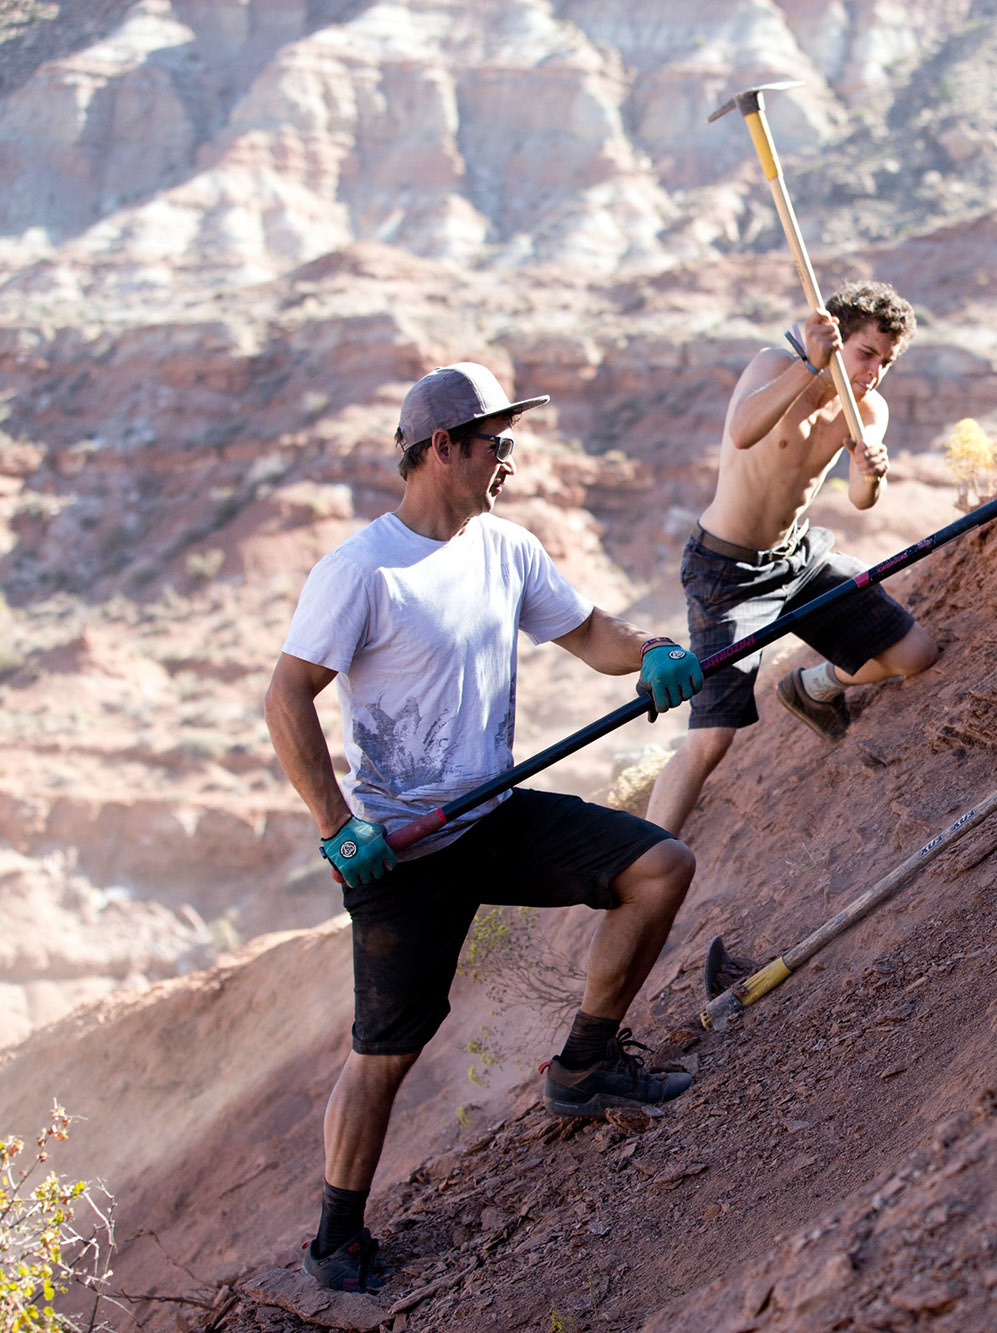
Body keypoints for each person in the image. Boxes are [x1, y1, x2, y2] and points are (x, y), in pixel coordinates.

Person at [264, 363, 708, 1294]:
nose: (508, 460)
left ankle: (584, 1071)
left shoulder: (504, 548)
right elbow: (287, 696)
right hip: (404, 848)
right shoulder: (360, 570)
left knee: (660, 866)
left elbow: (589, 634)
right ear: (440, 450)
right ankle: (335, 1243)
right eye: (494, 444)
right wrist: (337, 828)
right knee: (383, 1055)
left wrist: (655, 651)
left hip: (497, 813)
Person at [644, 280, 940, 836]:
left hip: (796, 557)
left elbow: (860, 500)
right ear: (838, 339)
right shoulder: (774, 365)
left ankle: (814, 687)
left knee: (916, 654)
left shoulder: (868, 409)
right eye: (866, 353)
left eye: (887, 361)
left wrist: (870, 473)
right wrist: (808, 364)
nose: (874, 371)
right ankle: (642, 861)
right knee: (711, 739)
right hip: (725, 570)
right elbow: (742, 429)